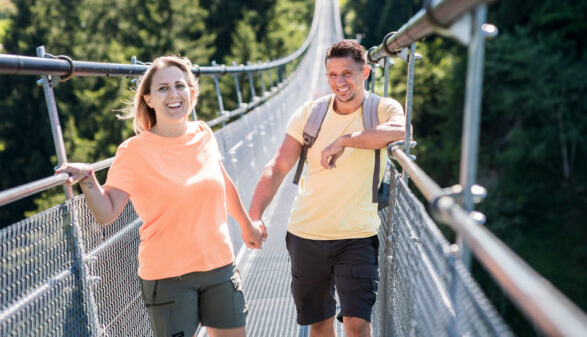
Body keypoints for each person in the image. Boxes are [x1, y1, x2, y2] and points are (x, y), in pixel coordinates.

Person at [57, 55, 263, 337]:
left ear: (192, 92)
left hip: (219, 266)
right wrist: (88, 179)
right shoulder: (134, 151)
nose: (173, 94)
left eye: (180, 85)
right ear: (149, 99)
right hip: (168, 277)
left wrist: (247, 226)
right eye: (163, 88)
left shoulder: (203, 133)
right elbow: (107, 213)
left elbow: (224, 184)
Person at [248, 40, 406, 337]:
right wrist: (254, 216)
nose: (340, 82)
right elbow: (278, 166)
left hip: (357, 237)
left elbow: (401, 130)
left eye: (347, 73)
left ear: (365, 72)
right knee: (319, 324)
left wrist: (345, 140)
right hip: (306, 235)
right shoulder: (310, 114)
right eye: (333, 75)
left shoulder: (382, 108)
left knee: (357, 325)